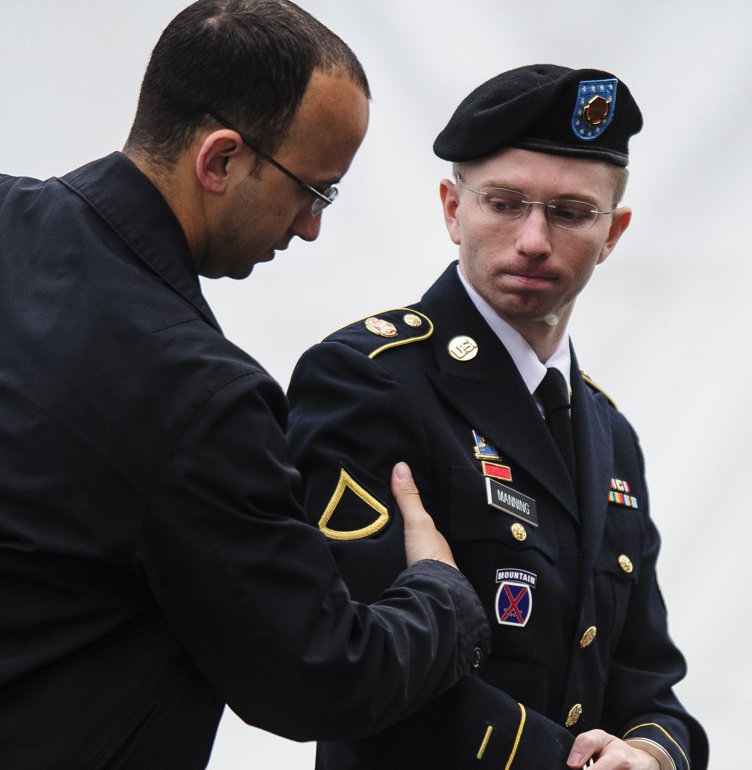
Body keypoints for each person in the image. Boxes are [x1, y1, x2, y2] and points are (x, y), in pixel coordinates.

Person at [0, 2, 492, 768]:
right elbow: (315, 674)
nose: (310, 226)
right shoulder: (202, 399)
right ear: (220, 160)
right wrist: (440, 595)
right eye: (315, 190)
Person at [286, 64, 708, 769]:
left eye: (571, 212)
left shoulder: (610, 436)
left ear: (614, 232)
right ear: (452, 208)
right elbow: (353, 656)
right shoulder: (367, 381)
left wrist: (652, 754)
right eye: (505, 203)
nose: (534, 239)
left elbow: (648, 680)